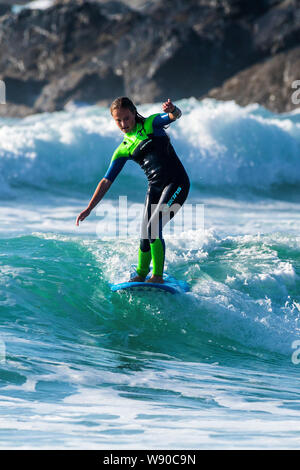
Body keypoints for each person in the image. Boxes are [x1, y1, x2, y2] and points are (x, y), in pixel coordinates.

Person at [76, 97, 190, 284]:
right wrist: (89, 208)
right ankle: (141, 273)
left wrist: (173, 109)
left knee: (154, 227)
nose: (123, 124)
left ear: (134, 113)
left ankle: (158, 276)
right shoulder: (123, 148)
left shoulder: (150, 124)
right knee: (145, 233)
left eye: (127, 118)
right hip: (155, 188)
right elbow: (106, 181)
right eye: (118, 120)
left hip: (177, 183)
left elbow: (174, 116)